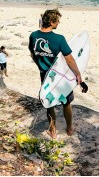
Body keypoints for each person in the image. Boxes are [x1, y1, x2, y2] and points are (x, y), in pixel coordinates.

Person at [28, 9, 86, 139]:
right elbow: (69, 59)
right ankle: (69, 128)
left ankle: (53, 131)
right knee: (66, 103)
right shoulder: (59, 39)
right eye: (57, 21)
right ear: (52, 22)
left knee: (49, 102)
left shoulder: (33, 36)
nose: (59, 23)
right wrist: (78, 74)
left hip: (45, 75)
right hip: (60, 77)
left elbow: (32, 54)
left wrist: (39, 65)